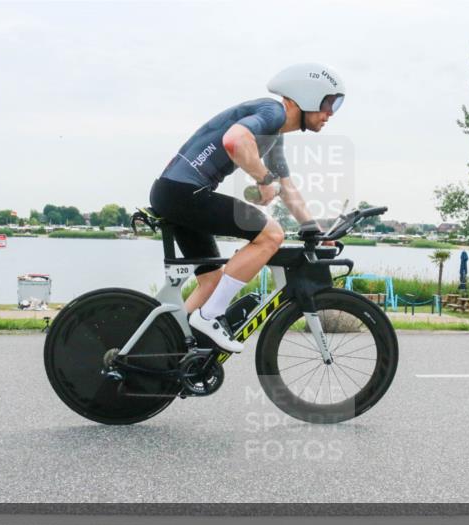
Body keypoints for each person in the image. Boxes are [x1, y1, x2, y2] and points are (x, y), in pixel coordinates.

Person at [148, 63, 346, 353]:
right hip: (183, 192)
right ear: (306, 96)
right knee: (271, 235)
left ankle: (169, 348)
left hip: (176, 193)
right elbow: (234, 140)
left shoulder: (275, 135)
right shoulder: (272, 112)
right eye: (329, 103)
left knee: (212, 282)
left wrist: (315, 230)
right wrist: (263, 178)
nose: (330, 113)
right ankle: (209, 318)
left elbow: (288, 189)